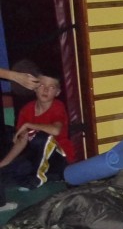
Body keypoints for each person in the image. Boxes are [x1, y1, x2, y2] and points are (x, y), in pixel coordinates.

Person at [0, 73, 75, 212]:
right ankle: (42, 177)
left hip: (60, 161)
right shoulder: (27, 109)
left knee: (42, 137)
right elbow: (21, 142)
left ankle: (36, 180)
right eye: (41, 85)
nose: (45, 90)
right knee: (16, 167)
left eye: (51, 87)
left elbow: (56, 130)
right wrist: (3, 163)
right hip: (40, 162)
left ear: (57, 92)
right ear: (34, 87)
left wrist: (29, 125)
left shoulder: (57, 106)